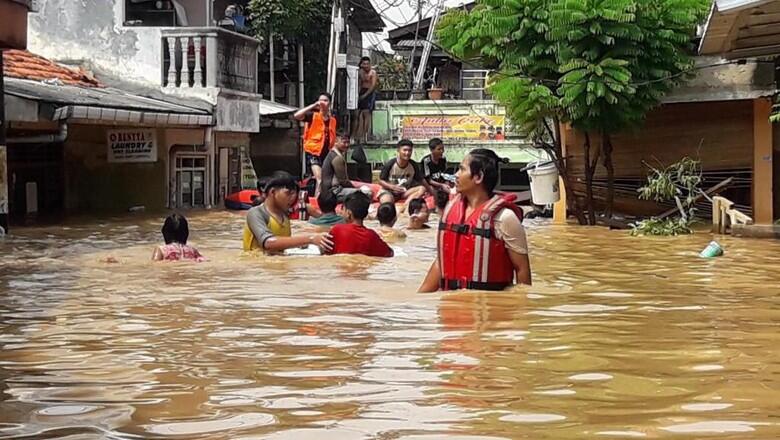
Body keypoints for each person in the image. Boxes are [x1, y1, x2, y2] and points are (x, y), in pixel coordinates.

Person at [419, 148, 532, 292]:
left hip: (487, 307)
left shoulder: (505, 218)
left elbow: (522, 271)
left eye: (461, 169)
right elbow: (442, 262)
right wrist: (418, 298)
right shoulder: (450, 211)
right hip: (451, 306)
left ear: (478, 177)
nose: (456, 175)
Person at [243, 171, 333, 254]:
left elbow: (285, 245)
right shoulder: (256, 213)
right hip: (259, 268)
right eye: (288, 193)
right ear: (273, 192)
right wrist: (311, 238)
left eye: (293, 194)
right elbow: (268, 243)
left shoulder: (284, 217)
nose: (292, 198)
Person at [295, 92, 337, 195]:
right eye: (321, 100)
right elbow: (297, 115)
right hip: (313, 152)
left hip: (326, 153)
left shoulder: (333, 120)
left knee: (328, 180)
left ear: (330, 103)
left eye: (325, 100)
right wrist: (314, 105)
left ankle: (321, 198)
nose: (323, 103)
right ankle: (318, 201)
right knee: (320, 179)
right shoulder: (312, 116)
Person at [330, 192, 393, 257]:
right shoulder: (371, 235)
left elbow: (325, 251)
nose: (341, 212)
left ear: (349, 213)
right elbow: (390, 253)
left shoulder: (337, 230)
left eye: (343, 208)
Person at [320, 132, 364, 202]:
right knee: (366, 193)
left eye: (348, 142)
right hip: (333, 193)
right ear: (336, 141)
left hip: (329, 191)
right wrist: (357, 189)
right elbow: (343, 181)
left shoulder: (332, 154)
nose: (347, 145)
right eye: (344, 142)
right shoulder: (337, 158)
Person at [354, 56, 378, 142]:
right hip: (361, 92)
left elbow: (373, 85)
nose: (366, 65)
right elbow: (359, 84)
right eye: (364, 64)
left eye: (368, 64)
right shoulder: (360, 72)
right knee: (357, 114)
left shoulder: (373, 72)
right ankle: (356, 135)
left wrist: (365, 95)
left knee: (366, 114)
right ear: (362, 64)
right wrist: (358, 95)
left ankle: (365, 135)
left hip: (370, 93)